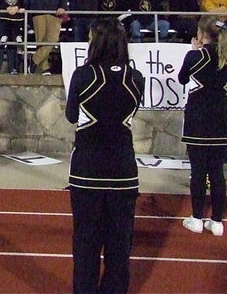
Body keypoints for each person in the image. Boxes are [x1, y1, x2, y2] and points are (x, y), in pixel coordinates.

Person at [66, 18, 145, 294]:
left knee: (86, 243)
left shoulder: (82, 75)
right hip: (123, 170)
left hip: (87, 170)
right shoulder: (136, 78)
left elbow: (71, 115)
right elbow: (132, 113)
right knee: (119, 246)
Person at [178, 16, 227, 237]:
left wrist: (195, 50)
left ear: (203, 35)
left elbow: (183, 79)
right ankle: (217, 221)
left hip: (198, 119)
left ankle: (196, 218)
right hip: (221, 118)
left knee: (198, 172)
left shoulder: (195, 56)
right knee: (217, 172)